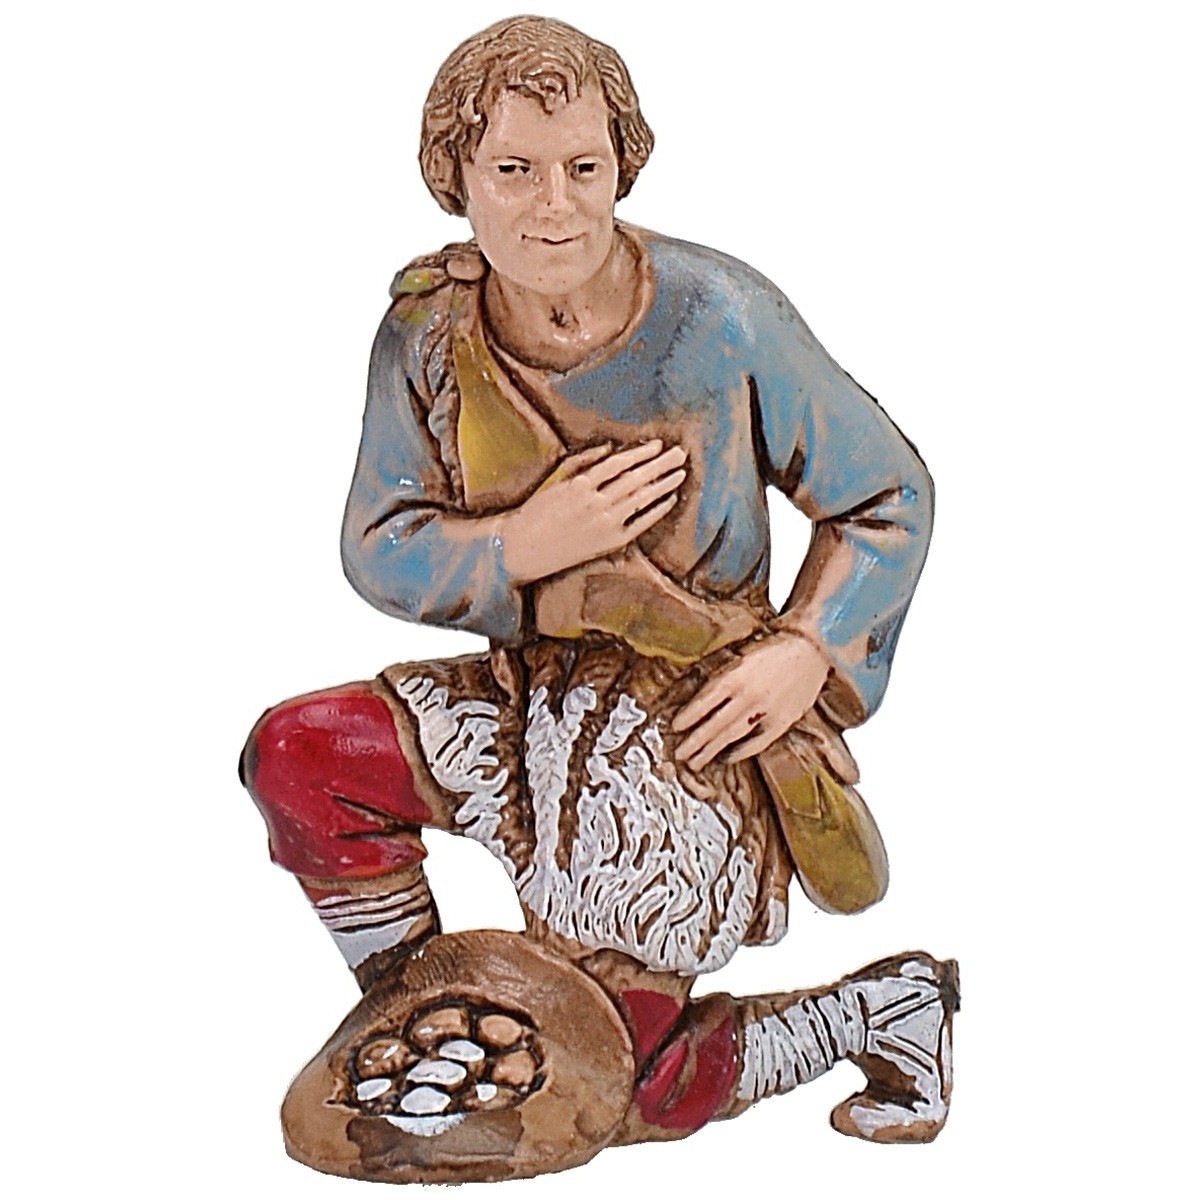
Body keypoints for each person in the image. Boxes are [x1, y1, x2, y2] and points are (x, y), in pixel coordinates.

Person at [240, 16, 957, 1183]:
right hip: (525, 691)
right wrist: (522, 545)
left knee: (624, 1083)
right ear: (455, 176)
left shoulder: (721, 317)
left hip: (682, 718)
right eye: (513, 169)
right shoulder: (429, 333)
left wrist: (803, 651)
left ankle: (883, 1012)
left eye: (583, 166)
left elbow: (887, 497)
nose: (554, 206)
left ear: (626, 162)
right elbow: (379, 544)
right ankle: (432, 1006)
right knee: (304, 758)